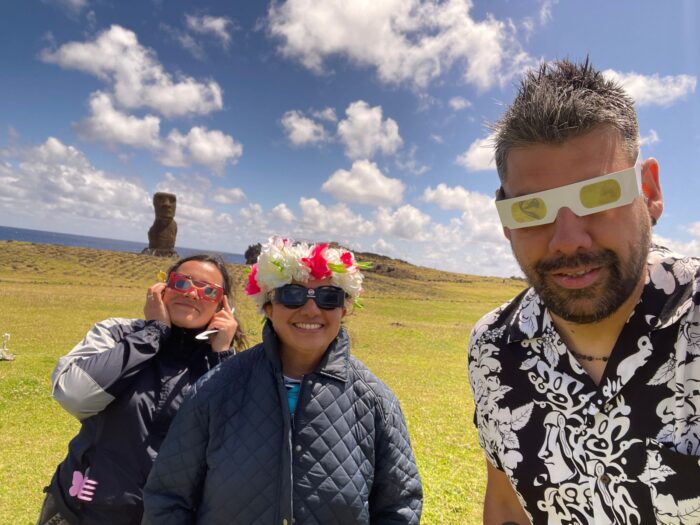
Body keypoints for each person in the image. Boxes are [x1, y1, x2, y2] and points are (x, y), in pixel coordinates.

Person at [467, 58, 700, 524]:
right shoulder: (493, 346)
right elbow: (508, 504)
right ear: (505, 219)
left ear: (649, 190)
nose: (568, 239)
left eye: (599, 194)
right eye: (533, 209)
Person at [142, 237, 423, 524]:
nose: (311, 310)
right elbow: (167, 498)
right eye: (292, 294)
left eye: (328, 296)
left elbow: (399, 506)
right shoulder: (214, 390)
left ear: (344, 308)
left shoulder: (376, 401)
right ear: (268, 306)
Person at [38, 254, 247, 525]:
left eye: (208, 290)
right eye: (182, 282)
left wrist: (220, 354)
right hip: (79, 512)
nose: (193, 293)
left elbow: (236, 443)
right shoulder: (118, 333)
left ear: (223, 306)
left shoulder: (227, 365)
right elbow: (74, 394)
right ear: (162, 289)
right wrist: (153, 333)